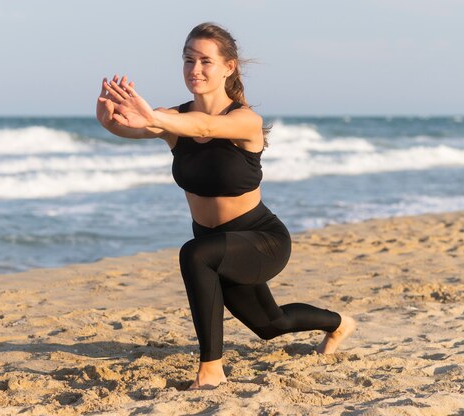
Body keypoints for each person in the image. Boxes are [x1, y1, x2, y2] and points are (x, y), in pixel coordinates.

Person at [95, 22, 355, 390]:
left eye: (205, 61)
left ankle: (211, 370)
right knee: (270, 325)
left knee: (194, 254)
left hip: (259, 239)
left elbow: (203, 128)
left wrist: (154, 117)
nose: (195, 70)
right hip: (216, 243)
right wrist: (110, 122)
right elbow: (136, 128)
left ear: (228, 67)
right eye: (188, 60)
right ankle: (339, 322)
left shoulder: (245, 120)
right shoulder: (172, 118)